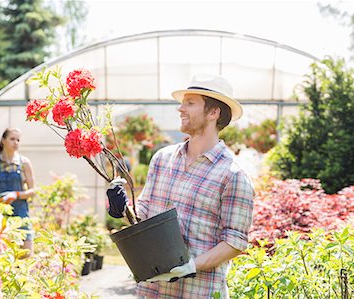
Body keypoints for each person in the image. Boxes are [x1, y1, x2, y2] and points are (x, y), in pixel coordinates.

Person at [107, 74, 254, 298]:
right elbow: (144, 214)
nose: (180, 109)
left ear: (213, 113)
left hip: (198, 292)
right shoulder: (163, 159)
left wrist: (191, 266)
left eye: (190, 103)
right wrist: (122, 207)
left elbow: (234, 242)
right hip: (152, 291)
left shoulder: (233, 175)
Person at [0, 128, 36, 254]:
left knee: (26, 253)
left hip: (21, 212)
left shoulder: (24, 163)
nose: (15, 142)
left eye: (18, 140)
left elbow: (32, 191)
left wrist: (15, 194)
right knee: (1, 251)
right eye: (12, 139)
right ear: (3, 140)